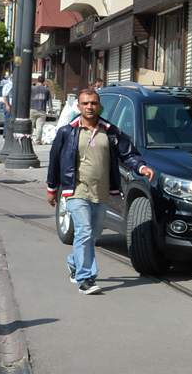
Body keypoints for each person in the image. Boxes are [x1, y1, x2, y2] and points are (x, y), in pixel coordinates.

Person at [45, 86, 154, 294]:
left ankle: (74, 262)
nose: (89, 107)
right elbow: (54, 161)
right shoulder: (67, 132)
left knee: (92, 234)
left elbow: (128, 153)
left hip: (102, 192)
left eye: (93, 103)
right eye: (85, 103)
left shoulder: (110, 131)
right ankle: (85, 279)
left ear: (99, 106)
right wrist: (52, 188)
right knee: (84, 231)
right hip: (76, 190)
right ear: (78, 106)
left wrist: (141, 167)